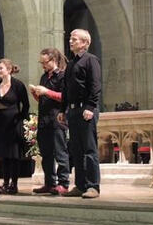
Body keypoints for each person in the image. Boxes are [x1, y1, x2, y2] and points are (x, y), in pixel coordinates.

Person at [58, 29, 101, 199]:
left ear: (85, 43)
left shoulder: (91, 60)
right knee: (76, 150)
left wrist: (90, 107)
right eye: (70, 38)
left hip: (86, 110)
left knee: (89, 150)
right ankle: (80, 185)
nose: (70, 41)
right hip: (73, 110)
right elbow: (66, 89)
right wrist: (63, 109)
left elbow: (95, 85)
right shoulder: (71, 63)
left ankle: (93, 186)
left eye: (74, 39)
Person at [30, 48, 70, 195]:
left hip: (57, 119)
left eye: (45, 62)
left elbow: (64, 97)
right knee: (46, 154)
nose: (43, 65)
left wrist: (46, 91)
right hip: (44, 119)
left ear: (53, 60)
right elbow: (43, 100)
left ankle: (63, 183)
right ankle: (49, 183)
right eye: (41, 62)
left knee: (60, 152)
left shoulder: (62, 76)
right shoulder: (44, 77)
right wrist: (36, 94)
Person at [0, 58, 30, 194]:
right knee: (4, 155)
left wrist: (20, 119)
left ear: (9, 69)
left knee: (13, 155)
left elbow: (26, 105)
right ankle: (5, 183)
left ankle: (14, 184)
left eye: (1, 68)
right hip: (0, 124)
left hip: (14, 124)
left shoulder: (18, 85)